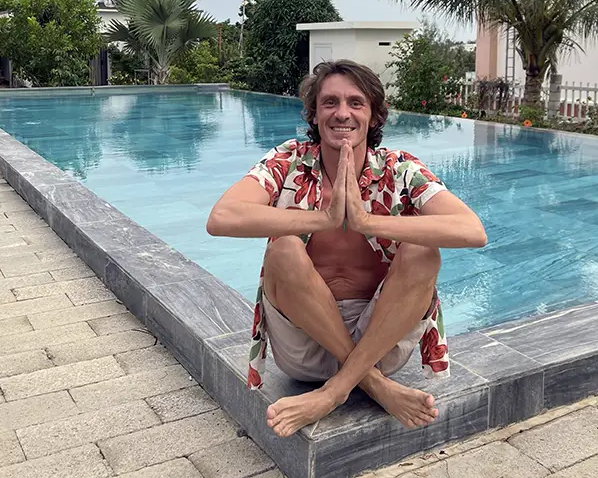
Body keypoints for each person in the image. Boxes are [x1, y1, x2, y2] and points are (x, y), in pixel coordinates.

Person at [207, 59, 487, 438]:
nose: (342, 113)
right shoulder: (288, 161)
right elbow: (221, 217)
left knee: (423, 250)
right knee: (285, 249)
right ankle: (372, 386)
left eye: (356, 103)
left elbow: (472, 230)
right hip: (304, 343)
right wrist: (322, 219)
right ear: (314, 112)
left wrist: (367, 222)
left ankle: (334, 392)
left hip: (381, 341)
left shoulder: (399, 168)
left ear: (373, 116)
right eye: (330, 102)